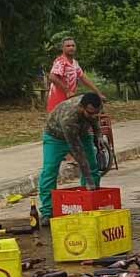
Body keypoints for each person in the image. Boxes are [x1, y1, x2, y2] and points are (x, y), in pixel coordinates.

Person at [38, 93, 104, 223]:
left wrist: (99, 135)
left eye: (96, 113)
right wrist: (89, 180)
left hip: (82, 133)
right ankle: (48, 211)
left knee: (92, 166)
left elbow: (95, 120)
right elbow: (78, 153)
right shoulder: (69, 117)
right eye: (90, 113)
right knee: (49, 171)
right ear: (81, 108)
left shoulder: (95, 105)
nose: (93, 116)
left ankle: (90, 204)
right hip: (56, 137)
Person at [46, 37, 104, 112]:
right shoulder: (61, 62)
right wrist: (67, 91)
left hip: (69, 100)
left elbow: (84, 78)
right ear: (62, 48)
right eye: (68, 46)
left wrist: (98, 93)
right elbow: (52, 76)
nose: (71, 48)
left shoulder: (74, 63)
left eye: (73, 46)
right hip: (58, 100)